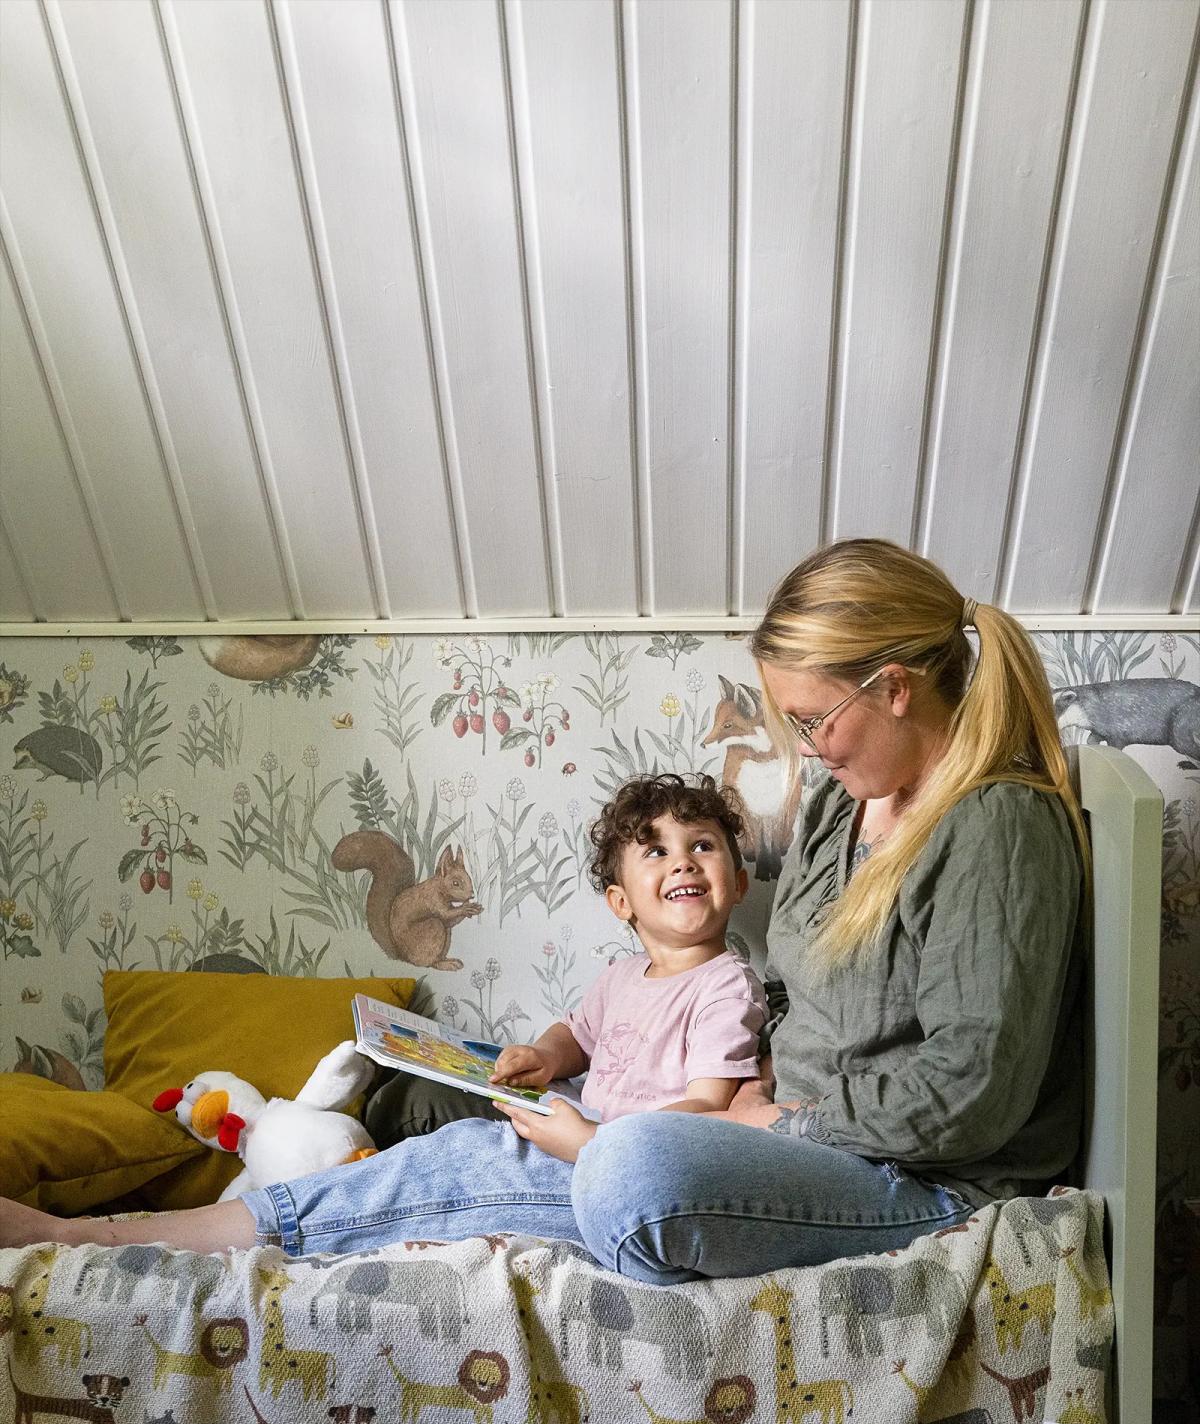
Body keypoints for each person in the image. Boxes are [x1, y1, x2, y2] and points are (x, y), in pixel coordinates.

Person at [0, 539, 1088, 1284]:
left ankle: (625, 1166)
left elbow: (970, 1098)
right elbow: (788, 1003)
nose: (809, 748)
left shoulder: (998, 828)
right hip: (795, 1142)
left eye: (817, 722)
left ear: (895, 688)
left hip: (919, 1182)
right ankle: (96, 1236)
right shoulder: (852, 813)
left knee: (628, 1163)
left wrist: (777, 1120)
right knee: (477, 1149)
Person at [0, 773, 766, 1263]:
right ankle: (123, 1232)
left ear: (732, 880)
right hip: (574, 1133)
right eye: (657, 853)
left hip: (610, 1165)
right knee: (435, 1149)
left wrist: (590, 1144)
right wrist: (544, 1056)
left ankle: (91, 1237)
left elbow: (704, 1109)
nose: (684, 863)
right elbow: (578, 1038)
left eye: (702, 847)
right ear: (621, 903)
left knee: (406, 1181)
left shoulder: (727, 985)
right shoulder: (622, 976)